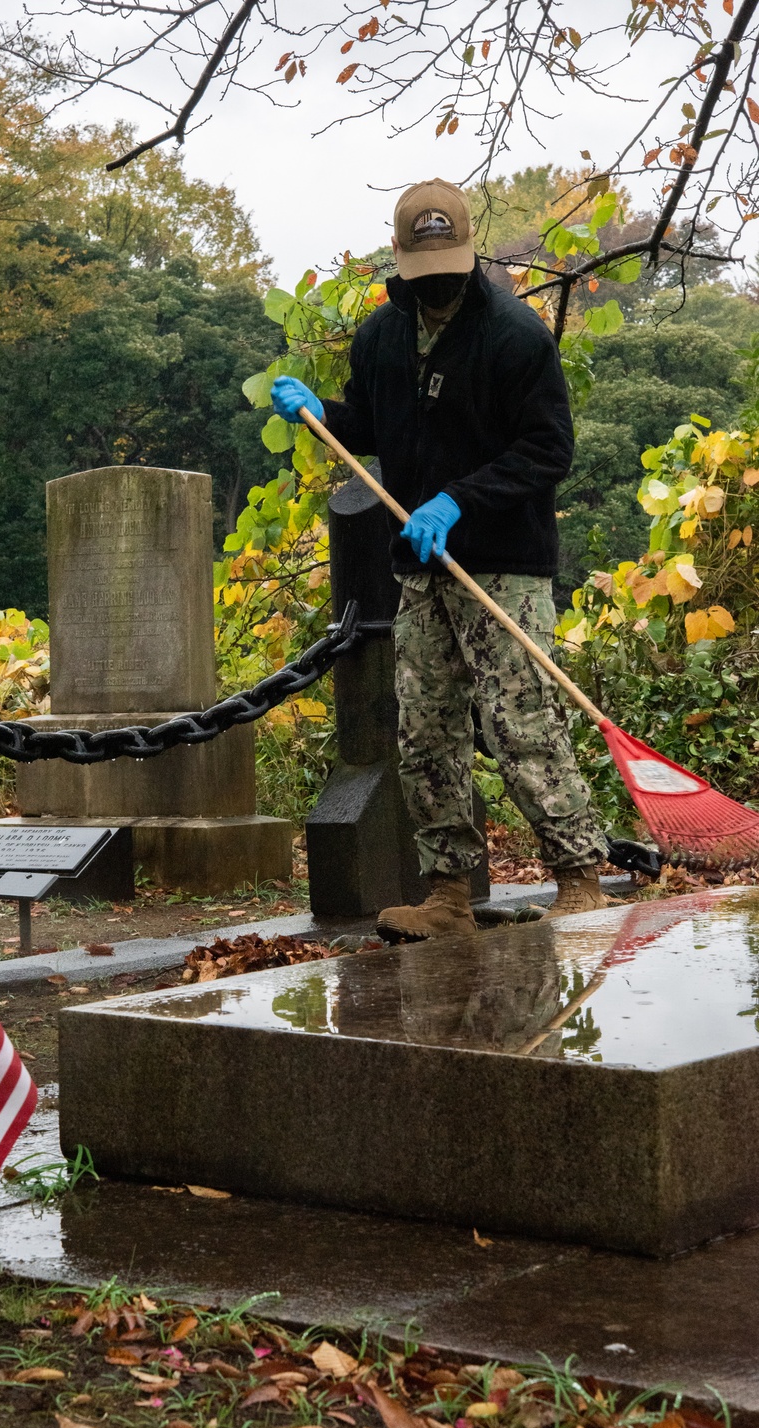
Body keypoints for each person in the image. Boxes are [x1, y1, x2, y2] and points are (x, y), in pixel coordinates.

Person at [270, 178, 609, 942]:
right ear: (400, 261)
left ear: (468, 255)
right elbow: (374, 422)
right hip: (421, 567)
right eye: (424, 273)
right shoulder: (380, 337)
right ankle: (449, 893)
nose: (439, 285)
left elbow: (549, 447)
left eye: (450, 268)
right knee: (425, 731)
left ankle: (580, 875)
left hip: (504, 564)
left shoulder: (516, 336)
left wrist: (459, 499)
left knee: (521, 720)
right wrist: (325, 415)